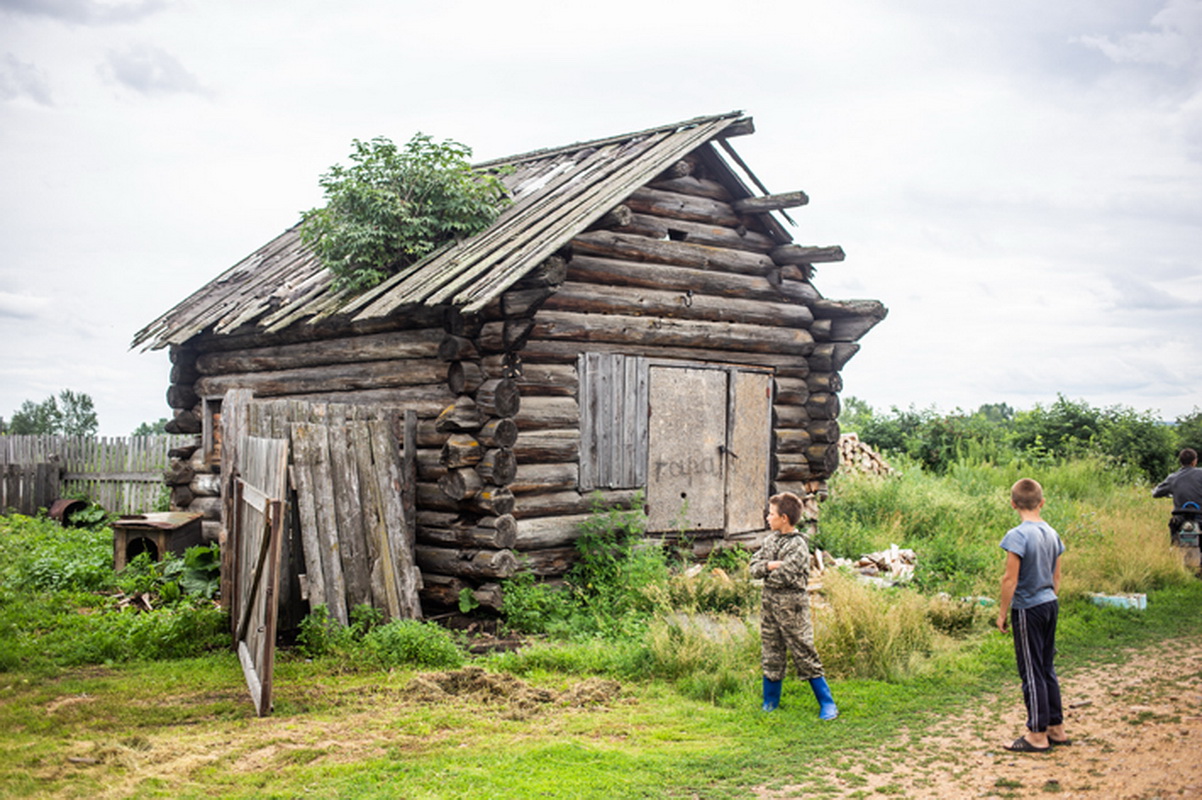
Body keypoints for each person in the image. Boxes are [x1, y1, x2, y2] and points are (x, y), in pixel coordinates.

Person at [749, 491, 837, 720]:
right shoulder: (770, 541)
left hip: (792, 608)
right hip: (769, 607)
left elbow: (786, 575)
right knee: (771, 653)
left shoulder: (798, 545)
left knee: (804, 652)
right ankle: (770, 702)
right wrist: (769, 566)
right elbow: (753, 567)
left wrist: (768, 571)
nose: (767, 518)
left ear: (784, 518)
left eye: (771, 514)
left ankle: (827, 703)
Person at [996, 478, 1068, 753]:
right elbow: (1057, 575)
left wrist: (1003, 613)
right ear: (1042, 502)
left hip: (1028, 608)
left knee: (1031, 670)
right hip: (1050, 603)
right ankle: (1056, 728)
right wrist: (1050, 596)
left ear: (1013, 503)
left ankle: (1036, 734)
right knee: (1046, 666)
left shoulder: (1017, 535)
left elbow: (1009, 579)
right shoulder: (1052, 532)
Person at [1152, 448, 1202, 543]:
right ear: (1194, 461)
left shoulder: (1173, 477)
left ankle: (1174, 551)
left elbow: (1155, 493)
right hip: (1200, 516)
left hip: (1180, 517)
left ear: (1180, 462)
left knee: (1174, 535)